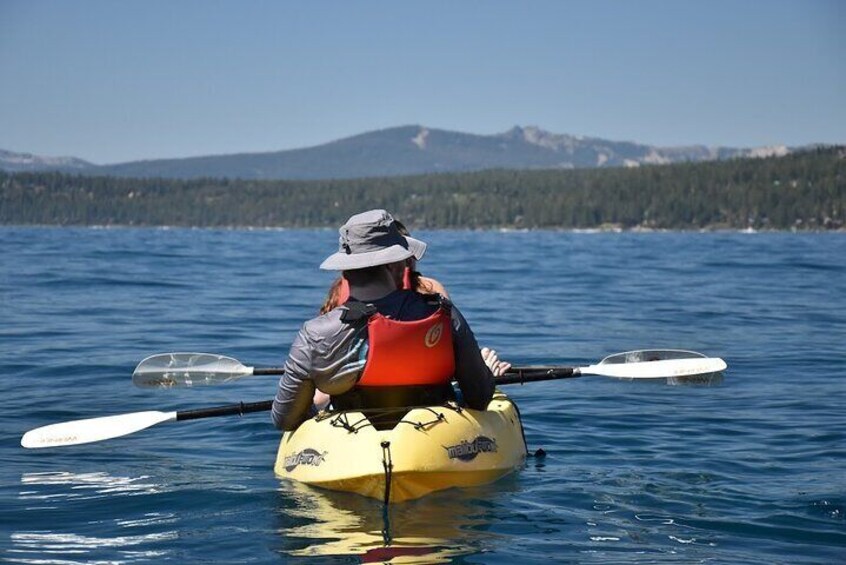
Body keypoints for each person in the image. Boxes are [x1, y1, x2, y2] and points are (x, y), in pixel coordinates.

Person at [271, 209, 505, 431]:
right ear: (396, 265)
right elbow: (480, 397)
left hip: (352, 442)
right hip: (435, 435)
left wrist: (319, 414)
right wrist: (486, 372)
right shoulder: (443, 313)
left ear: (345, 270)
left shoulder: (314, 333)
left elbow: (285, 419)